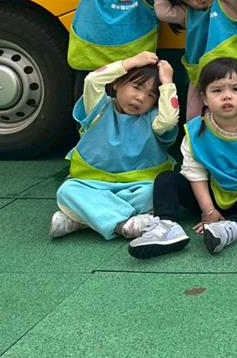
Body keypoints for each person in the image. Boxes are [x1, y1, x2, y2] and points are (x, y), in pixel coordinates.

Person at [128, 58, 237, 258]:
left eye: (235, 89)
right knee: (166, 179)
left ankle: (232, 228)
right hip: (208, 195)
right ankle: (167, 225)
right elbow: (195, 175)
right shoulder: (194, 132)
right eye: (217, 90)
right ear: (205, 98)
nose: (227, 96)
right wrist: (209, 213)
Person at [50, 51, 177, 241]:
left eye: (151, 95)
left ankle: (84, 220)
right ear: (116, 83)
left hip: (137, 186)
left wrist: (167, 84)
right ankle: (121, 224)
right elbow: (92, 80)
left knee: (157, 192)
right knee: (67, 192)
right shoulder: (98, 109)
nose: (140, 98)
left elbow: (168, 121)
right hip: (92, 184)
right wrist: (130, 62)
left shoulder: (152, 119)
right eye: (136, 87)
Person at [155, 0, 237, 119]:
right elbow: (162, 12)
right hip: (199, 76)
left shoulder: (229, 2)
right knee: (194, 117)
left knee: (229, 116)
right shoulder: (189, 14)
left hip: (229, 75)